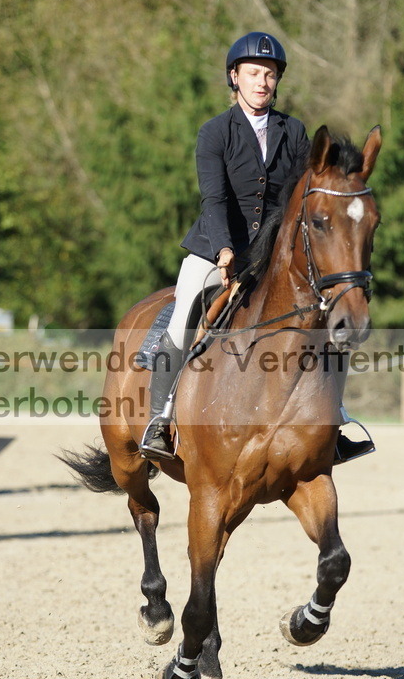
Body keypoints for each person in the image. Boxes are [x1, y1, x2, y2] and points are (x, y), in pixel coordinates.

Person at [140, 31, 374, 465]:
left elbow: (302, 197)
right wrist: (224, 249)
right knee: (185, 313)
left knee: (324, 321)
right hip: (216, 249)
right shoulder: (215, 132)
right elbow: (214, 199)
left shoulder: (294, 131)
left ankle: (335, 421)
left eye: (269, 74)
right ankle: (160, 417)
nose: (262, 82)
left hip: (271, 255)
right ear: (235, 77)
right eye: (253, 73)